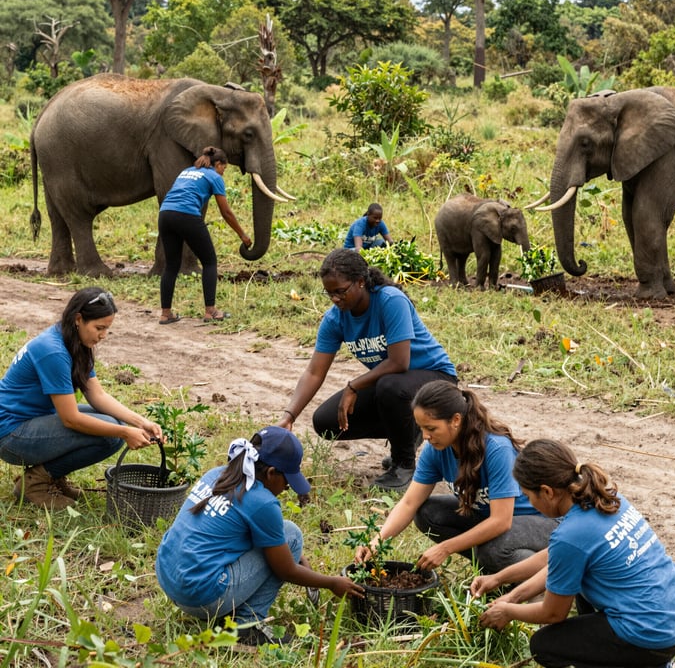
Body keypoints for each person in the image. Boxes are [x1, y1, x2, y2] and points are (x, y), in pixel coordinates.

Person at [470, 439, 675, 668]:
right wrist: (501, 582)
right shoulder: (607, 498)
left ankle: (643, 661)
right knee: (577, 582)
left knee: (545, 646)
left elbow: (552, 614)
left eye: (529, 496)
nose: (530, 503)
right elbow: (556, 560)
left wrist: (508, 611)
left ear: (547, 492)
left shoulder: (571, 535)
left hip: (652, 635)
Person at [155, 426, 364, 646]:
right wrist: (332, 583)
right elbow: (286, 570)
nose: (286, 488)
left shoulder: (218, 474)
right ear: (271, 473)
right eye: (287, 482)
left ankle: (228, 610)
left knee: (283, 539)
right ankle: (246, 626)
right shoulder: (262, 502)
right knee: (291, 535)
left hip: (169, 579)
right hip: (200, 597)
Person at [278, 248, 457, 491]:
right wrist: (289, 416)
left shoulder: (390, 300)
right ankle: (408, 432)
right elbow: (314, 372)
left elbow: (399, 363)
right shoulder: (335, 319)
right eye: (329, 293)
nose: (335, 299)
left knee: (389, 386)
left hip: (437, 381)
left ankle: (403, 465)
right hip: (399, 387)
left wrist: (354, 386)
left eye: (341, 291)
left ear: (360, 282)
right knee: (326, 422)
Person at [354, 380, 557, 574]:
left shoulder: (496, 448)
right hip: (492, 517)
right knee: (428, 512)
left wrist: (446, 548)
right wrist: (377, 541)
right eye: (421, 428)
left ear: (456, 420)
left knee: (493, 548)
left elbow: (501, 521)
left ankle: (541, 575)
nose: (425, 436)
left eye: (431, 428)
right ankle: (493, 567)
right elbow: (409, 503)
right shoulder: (436, 450)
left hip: (542, 522)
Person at [0, 287, 164, 509]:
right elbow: (71, 419)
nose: (103, 335)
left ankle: (50, 477)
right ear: (78, 319)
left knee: (113, 423)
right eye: (99, 328)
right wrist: (125, 432)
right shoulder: (53, 351)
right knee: (111, 436)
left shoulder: (73, 341)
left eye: (107, 329)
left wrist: (140, 422)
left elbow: (97, 395)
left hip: (34, 420)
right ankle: (34, 484)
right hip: (11, 434)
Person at [158, 145, 252, 324]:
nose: (223, 172)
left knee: (171, 265)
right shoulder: (214, 176)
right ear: (218, 164)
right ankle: (211, 311)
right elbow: (226, 212)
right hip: (187, 215)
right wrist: (243, 235)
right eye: (224, 168)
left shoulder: (186, 171)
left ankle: (165, 314)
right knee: (209, 261)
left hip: (165, 214)